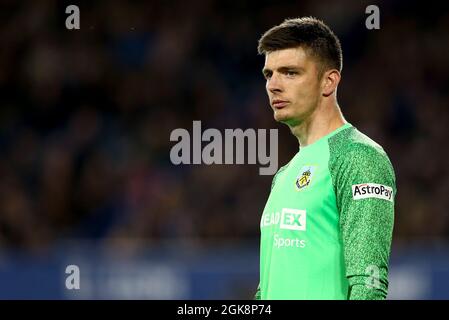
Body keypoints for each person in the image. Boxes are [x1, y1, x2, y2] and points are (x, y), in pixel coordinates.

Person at [254, 17, 396, 300]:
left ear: (328, 81)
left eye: (290, 72)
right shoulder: (283, 175)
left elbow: (368, 286)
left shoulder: (358, 157)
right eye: (269, 74)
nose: (274, 85)